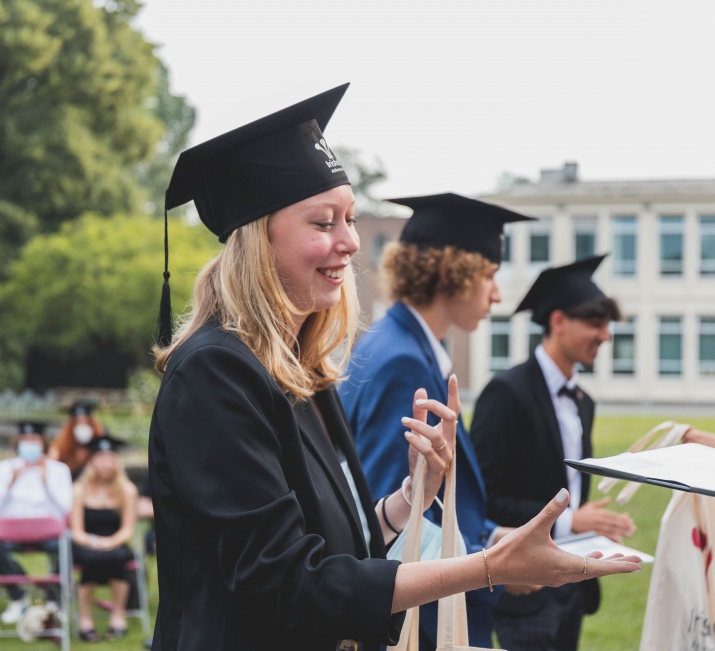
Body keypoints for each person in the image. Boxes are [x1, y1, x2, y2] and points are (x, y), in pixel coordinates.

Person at [148, 84, 640, 651]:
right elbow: (286, 583)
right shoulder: (215, 375)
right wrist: (489, 567)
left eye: (352, 219)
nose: (351, 242)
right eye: (323, 222)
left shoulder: (300, 371)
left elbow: (336, 549)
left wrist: (410, 499)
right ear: (260, 238)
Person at [340, 192, 534, 649]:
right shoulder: (403, 364)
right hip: (423, 627)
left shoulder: (395, 343)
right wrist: (499, 568)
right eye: (489, 274)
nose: (497, 292)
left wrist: (499, 539)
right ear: (451, 269)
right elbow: (400, 527)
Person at [471, 254, 636, 651]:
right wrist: (572, 521)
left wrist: (588, 520)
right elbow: (482, 501)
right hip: (525, 588)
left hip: (574, 583)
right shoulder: (506, 393)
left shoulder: (584, 402)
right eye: (596, 324)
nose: (606, 336)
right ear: (558, 322)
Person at [0, 420, 73, 624]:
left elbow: (65, 510)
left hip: (48, 533)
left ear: (43, 442)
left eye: (34, 439)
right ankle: (18, 597)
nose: (29, 444)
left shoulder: (58, 470)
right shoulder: (4, 468)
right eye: (25, 440)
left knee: (64, 546)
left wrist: (46, 482)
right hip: (12, 533)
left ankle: (54, 600)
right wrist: (11, 482)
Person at [71, 434, 139, 641]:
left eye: (110, 459)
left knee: (118, 557)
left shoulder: (127, 490)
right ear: (92, 462)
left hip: (116, 541)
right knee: (91, 558)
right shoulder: (79, 490)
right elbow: (77, 531)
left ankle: (118, 614)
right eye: (101, 459)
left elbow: (128, 529)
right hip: (86, 543)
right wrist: (94, 542)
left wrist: (110, 542)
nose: (106, 464)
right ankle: (85, 618)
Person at [49, 401, 106, 478]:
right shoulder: (59, 450)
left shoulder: (101, 448)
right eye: (78, 422)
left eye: (85, 422)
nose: (82, 426)